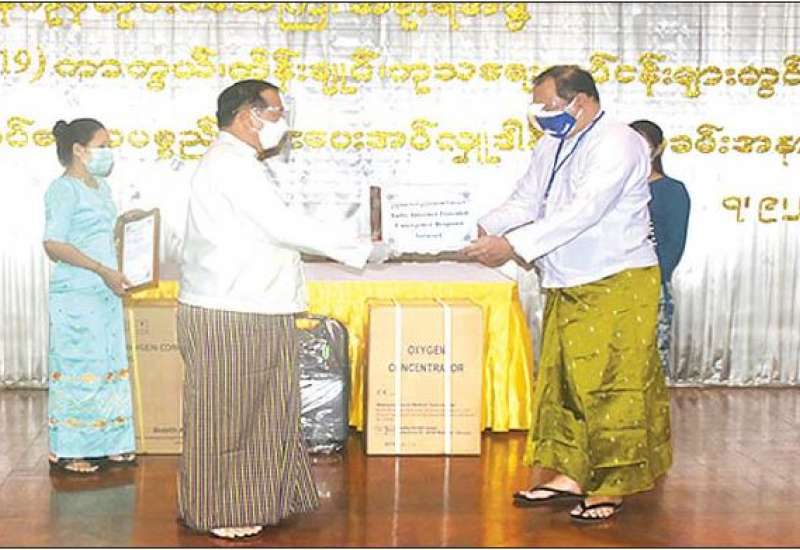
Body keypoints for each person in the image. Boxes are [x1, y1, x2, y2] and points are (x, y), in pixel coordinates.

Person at [464, 66, 671, 522]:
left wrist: (512, 246)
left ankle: (611, 485)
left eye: (548, 106)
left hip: (616, 279)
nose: (540, 115)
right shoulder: (552, 142)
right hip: (566, 279)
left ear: (581, 101)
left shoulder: (618, 143)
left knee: (610, 384)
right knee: (566, 383)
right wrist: (484, 226)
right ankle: (571, 475)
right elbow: (527, 199)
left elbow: (584, 211)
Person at [177, 79, 377, 539]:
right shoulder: (230, 165)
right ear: (249, 116)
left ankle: (264, 497)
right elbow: (283, 225)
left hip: (254, 305)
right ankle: (219, 509)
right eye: (276, 113)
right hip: (232, 309)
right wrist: (360, 248)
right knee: (228, 416)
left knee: (266, 411)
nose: (282, 123)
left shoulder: (240, 163)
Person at [43, 118, 136, 474]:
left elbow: (98, 232)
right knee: (79, 365)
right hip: (78, 291)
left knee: (106, 363)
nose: (108, 152)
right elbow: (54, 243)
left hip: (105, 289)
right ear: (79, 150)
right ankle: (69, 449)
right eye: (103, 145)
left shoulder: (100, 187)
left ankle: (109, 442)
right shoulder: (63, 189)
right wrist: (100, 269)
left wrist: (126, 225)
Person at [630, 120, 691, 379]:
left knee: (651, 362)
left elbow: (673, 244)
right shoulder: (613, 188)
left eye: (643, 144)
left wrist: (651, 278)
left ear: (657, 149)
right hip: (611, 285)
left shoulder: (671, 191)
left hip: (651, 286)